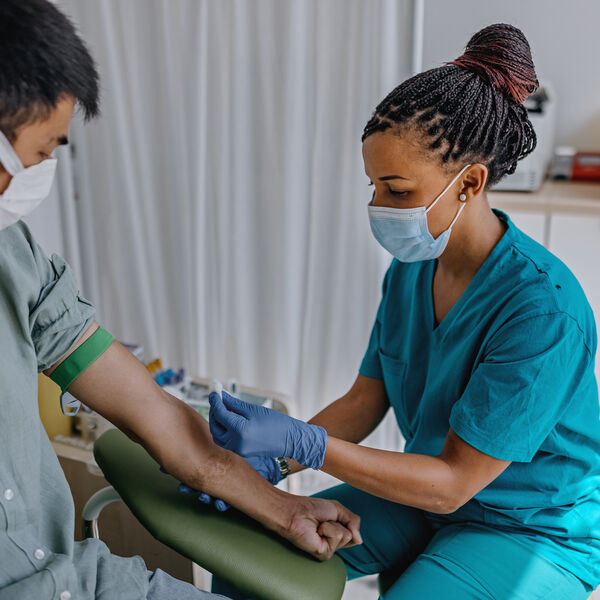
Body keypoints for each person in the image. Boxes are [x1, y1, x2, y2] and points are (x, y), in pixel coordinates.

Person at [208, 23, 600, 599]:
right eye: (372, 186)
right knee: (247, 564)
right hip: (425, 494)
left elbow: (453, 485)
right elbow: (367, 399)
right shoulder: (413, 269)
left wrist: (303, 443)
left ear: (469, 183)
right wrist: (269, 466)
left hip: (530, 525)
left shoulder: (542, 310)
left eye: (396, 190)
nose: (378, 207)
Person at [0, 1, 362, 599]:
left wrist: (283, 508)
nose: (46, 170)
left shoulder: (17, 257)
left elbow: (160, 421)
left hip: (75, 580)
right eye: (41, 153)